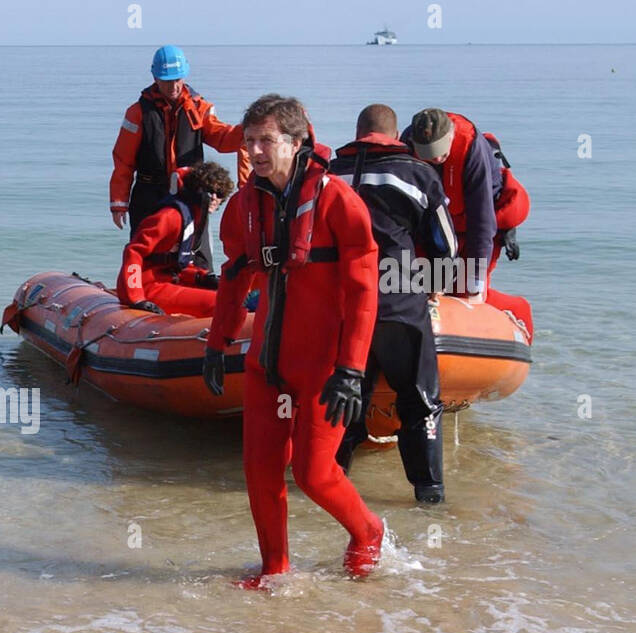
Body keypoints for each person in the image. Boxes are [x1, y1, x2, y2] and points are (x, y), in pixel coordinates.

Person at [202, 95, 384, 586]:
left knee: (313, 474)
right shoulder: (241, 207)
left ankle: (368, 532)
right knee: (259, 473)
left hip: (324, 367)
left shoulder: (338, 203)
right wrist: (217, 345)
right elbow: (234, 281)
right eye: (250, 141)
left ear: (297, 140)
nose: (256, 151)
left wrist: (352, 368)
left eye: (267, 140)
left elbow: (365, 291)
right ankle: (275, 570)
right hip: (267, 363)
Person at [330, 104, 458, 504]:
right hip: (398, 303)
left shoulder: (328, 176)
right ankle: (429, 494)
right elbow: (447, 247)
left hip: (344, 307)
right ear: (396, 136)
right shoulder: (419, 174)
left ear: (357, 132)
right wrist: (434, 286)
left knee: (345, 398)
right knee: (420, 403)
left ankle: (327, 486)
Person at [109, 45, 250, 272]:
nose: (173, 86)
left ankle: (202, 298)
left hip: (190, 195)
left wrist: (248, 130)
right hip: (149, 195)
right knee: (148, 254)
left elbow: (223, 139)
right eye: (166, 80)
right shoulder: (137, 113)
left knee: (197, 256)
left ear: (184, 75)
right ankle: (141, 296)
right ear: (155, 77)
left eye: (177, 79)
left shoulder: (199, 108)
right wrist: (118, 202)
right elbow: (123, 160)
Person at [403, 108, 530, 298]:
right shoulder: (406, 144)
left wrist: (476, 278)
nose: (436, 159)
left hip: (479, 219)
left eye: (440, 153)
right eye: (428, 155)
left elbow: (482, 220)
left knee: (468, 291)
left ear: (451, 136)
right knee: (425, 287)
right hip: (437, 224)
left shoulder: (471, 149)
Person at [116, 162, 235, 318]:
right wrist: (136, 298)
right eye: (209, 191)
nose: (213, 197)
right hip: (148, 286)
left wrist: (200, 277)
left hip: (168, 280)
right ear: (196, 190)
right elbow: (134, 252)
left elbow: (176, 262)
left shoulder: (194, 218)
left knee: (234, 294)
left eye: (219, 193)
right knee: (220, 303)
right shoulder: (170, 217)